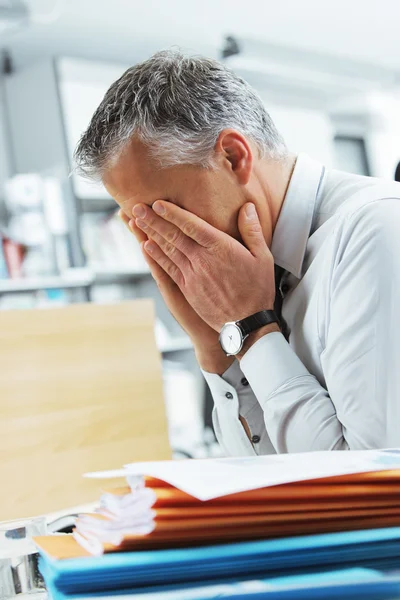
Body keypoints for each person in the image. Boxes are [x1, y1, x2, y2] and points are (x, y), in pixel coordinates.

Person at [74, 50, 400, 456]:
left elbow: (372, 484)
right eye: (138, 225)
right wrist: (215, 345)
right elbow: (260, 485)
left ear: (233, 157)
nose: (160, 242)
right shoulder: (252, 277)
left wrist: (252, 328)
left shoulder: (376, 228)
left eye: (164, 214)